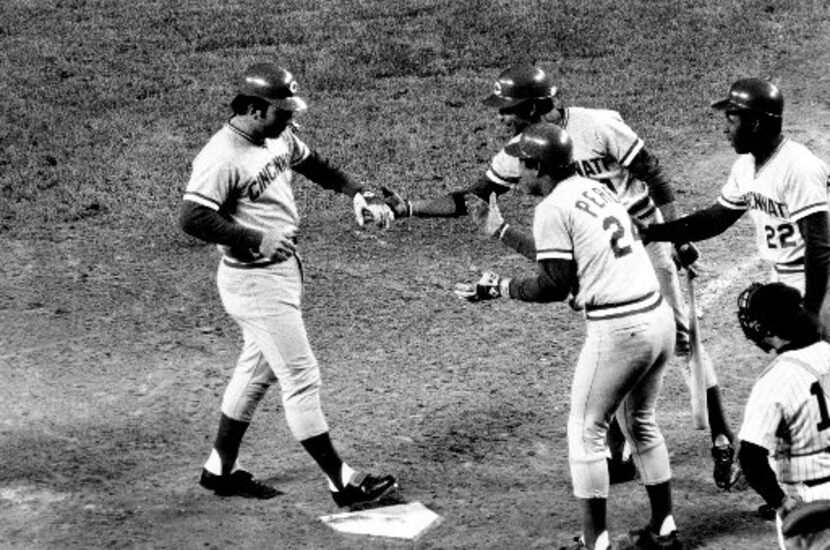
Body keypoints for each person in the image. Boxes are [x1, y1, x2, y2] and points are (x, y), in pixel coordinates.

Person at [384, 63, 737, 489]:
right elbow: (475, 197)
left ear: (535, 106)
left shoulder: (598, 125)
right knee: (612, 341)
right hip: (594, 255)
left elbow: (653, 173)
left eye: (507, 109)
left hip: (643, 241)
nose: (500, 118)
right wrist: (407, 207)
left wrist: (677, 236)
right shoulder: (524, 151)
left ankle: (722, 438)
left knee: (680, 339)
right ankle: (617, 452)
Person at [179, 61, 397, 507]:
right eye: (282, 111)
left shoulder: (275, 135)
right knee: (300, 376)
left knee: (256, 371)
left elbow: (314, 164)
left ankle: (219, 469)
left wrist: (357, 190)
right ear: (255, 108)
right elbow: (193, 217)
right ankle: (343, 482)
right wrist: (256, 237)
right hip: (254, 282)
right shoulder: (221, 156)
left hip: (280, 271)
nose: (290, 120)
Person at [454, 122, 681, 550]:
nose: (517, 173)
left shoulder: (553, 207)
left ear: (538, 166)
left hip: (621, 331)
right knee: (641, 424)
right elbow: (567, 262)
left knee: (585, 430)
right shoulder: (595, 189)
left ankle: (595, 542)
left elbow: (554, 284)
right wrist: (500, 232)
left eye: (522, 165)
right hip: (658, 318)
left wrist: (499, 288)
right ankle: (665, 530)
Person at [642, 78, 830, 339]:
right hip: (785, 277)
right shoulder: (745, 166)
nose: (725, 130)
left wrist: (811, 311)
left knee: (818, 364)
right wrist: (654, 232)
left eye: (731, 120)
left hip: (821, 281)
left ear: (754, 123)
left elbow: (819, 245)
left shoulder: (798, 167)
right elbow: (715, 219)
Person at [733, 282, 830, 550]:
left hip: (809, 503)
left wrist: (780, 502)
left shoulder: (775, 381)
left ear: (768, 328)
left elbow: (750, 457)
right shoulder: (828, 352)